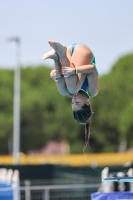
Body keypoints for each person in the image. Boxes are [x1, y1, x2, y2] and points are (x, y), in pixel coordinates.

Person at [42, 40, 99, 148]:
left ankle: (55, 57)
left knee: (63, 92)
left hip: (68, 55)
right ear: (86, 102)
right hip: (81, 51)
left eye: (72, 103)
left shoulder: (70, 92)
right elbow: (92, 68)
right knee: (73, 89)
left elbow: (58, 76)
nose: (74, 99)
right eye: (77, 102)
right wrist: (75, 71)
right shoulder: (92, 91)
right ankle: (62, 52)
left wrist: (53, 75)